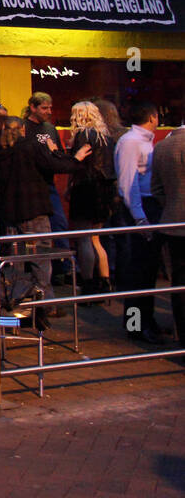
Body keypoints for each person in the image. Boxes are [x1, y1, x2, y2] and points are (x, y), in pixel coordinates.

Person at [0, 116, 91, 316]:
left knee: (15, 262)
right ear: (23, 130)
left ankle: (16, 304)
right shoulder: (31, 147)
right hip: (34, 211)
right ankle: (45, 305)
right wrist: (76, 158)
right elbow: (56, 166)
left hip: (9, 214)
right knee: (40, 260)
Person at [114, 102, 168, 344]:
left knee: (148, 271)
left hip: (148, 208)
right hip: (140, 209)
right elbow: (128, 183)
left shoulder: (144, 141)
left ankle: (148, 320)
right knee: (138, 271)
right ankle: (137, 325)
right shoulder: (131, 142)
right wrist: (140, 218)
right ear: (153, 117)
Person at [67, 101, 118, 302]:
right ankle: (105, 283)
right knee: (96, 238)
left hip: (86, 189)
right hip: (104, 190)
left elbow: (77, 165)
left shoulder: (84, 135)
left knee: (84, 239)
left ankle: (88, 284)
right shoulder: (106, 137)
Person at [150, 124, 185, 348]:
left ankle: (181, 335)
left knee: (179, 282)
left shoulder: (162, 146)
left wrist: (172, 206)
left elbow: (156, 189)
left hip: (173, 223)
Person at [24, 92, 69, 237]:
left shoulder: (50, 128)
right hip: (29, 185)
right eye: (44, 108)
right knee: (34, 228)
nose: (49, 112)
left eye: (50, 108)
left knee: (59, 223)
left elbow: (60, 155)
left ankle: (62, 259)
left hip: (48, 182)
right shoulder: (23, 127)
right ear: (33, 107)